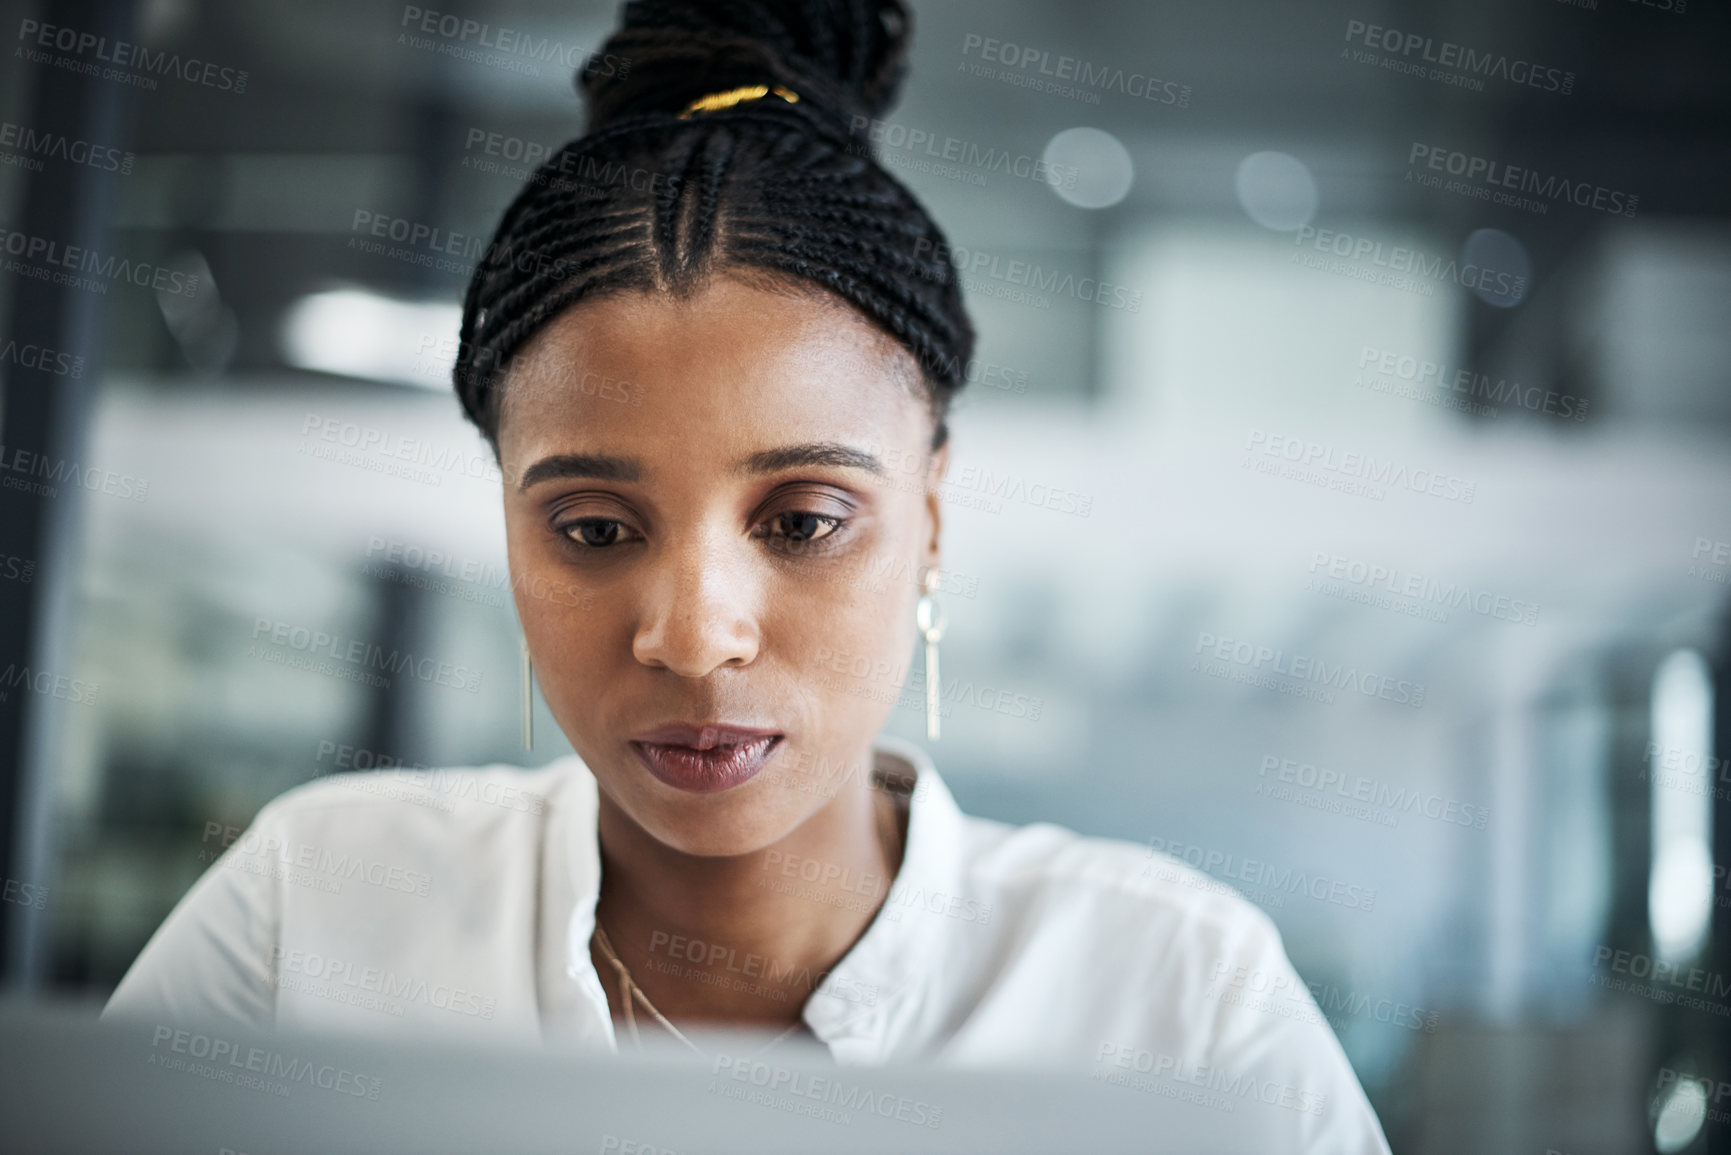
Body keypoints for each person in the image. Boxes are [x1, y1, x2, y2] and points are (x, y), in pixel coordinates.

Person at [106, 2, 1391, 1149]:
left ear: (931, 518)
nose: (694, 636)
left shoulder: (1176, 1002)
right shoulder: (316, 922)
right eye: (596, 529)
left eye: (804, 519)